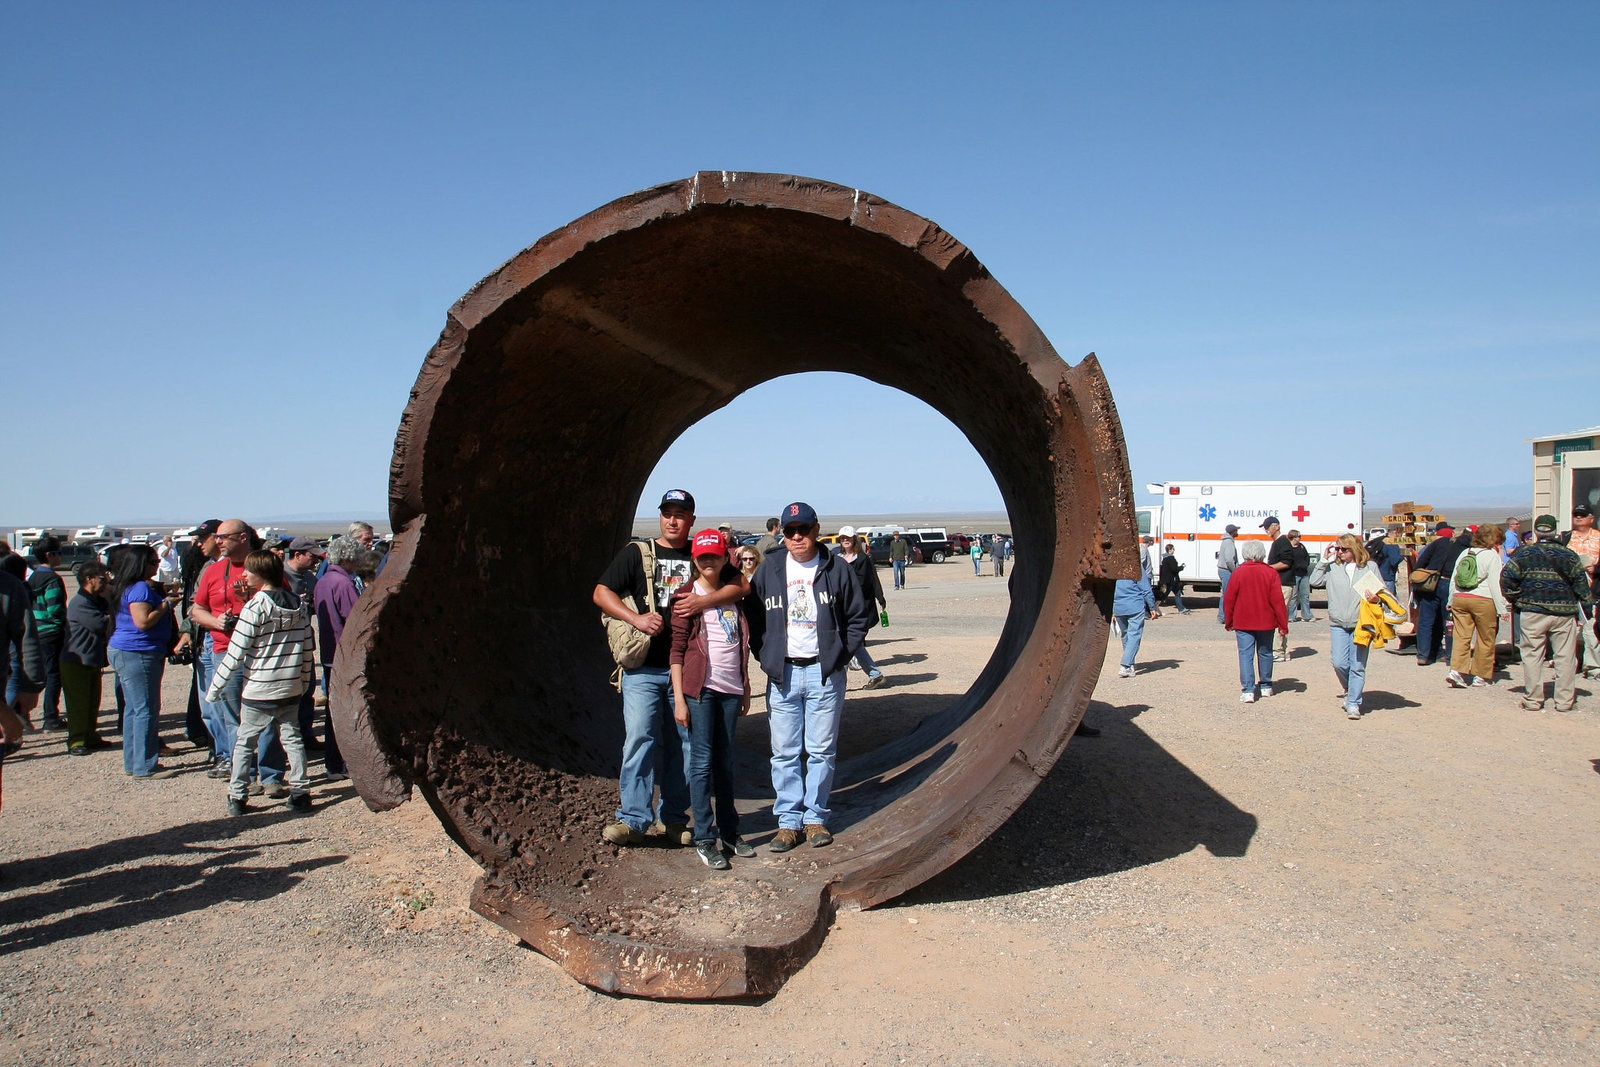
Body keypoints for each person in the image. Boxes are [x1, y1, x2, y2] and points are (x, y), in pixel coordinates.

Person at [593, 490, 749, 847]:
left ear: (692, 519)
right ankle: (633, 818)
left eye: (681, 514)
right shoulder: (638, 553)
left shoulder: (703, 553)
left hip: (691, 673)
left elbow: (741, 585)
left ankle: (675, 819)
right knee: (639, 740)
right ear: (660, 516)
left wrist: (703, 600)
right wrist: (636, 618)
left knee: (684, 745)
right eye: (667, 513)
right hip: (644, 668)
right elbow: (601, 592)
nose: (673, 520)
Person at [746, 501, 873, 852]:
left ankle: (815, 818)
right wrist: (766, 655)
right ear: (783, 534)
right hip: (783, 674)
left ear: (817, 530)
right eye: (790, 531)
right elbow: (753, 617)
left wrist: (838, 656)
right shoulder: (769, 567)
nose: (797, 536)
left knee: (820, 751)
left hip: (823, 674)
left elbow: (858, 616)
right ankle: (788, 823)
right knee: (784, 752)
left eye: (803, 530)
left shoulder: (836, 567)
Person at [668, 530, 754, 870]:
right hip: (700, 690)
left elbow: (739, 642)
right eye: (702, 557)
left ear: (723, 558)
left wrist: (745, 687)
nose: (708, 562)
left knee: (726, 762)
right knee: (701, 763)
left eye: (714, 556)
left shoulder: (732, 592)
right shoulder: (686, 597)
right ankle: (705, 837)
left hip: (730, 689)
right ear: (694, 559)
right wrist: (679, 699)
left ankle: (730, 832)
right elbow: (676, 651)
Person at [208, 549, 315, 816]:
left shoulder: (254, 607)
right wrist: (302, 682)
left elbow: (236, 652)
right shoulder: (299, 606)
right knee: (293, 739)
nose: (243, 574)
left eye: (248, 570)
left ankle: (237, 794)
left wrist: (214, 690)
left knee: (245, 742)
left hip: (259, 687)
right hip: (289, 685)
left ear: (260, 574)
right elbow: (306, 648)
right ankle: (301, 792)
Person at [191, 519, 289, 793]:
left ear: (243, 537)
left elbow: (284, 603)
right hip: (225, 651)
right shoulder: (212, 572)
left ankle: (271, 777)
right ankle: (245, 775)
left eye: (224, 537)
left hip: (262, 654)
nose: (218, 541)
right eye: (217, 537)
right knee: (234, 718)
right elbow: (196, 610)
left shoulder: (265, 566)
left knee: (266, 715)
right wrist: (215, 621)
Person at [1502, 514, 1593, 711]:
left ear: (1535, 531)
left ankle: (1533, 700)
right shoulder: (1569, 556)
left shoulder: (1524, 554)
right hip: (1563, 613)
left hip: (1532, 611)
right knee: (1565, 657)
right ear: (1555, 531)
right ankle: (1564, 701)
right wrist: (1586, 610)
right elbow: (1582, 586)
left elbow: (1507, 578)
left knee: (1532, 655)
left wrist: (1516, 600)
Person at [106, 544, 180, 778]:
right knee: (146, 709)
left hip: (129, 650)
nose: (156, 566)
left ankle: (134, 762)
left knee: (134, 709)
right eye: (152, 562)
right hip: (138, 651)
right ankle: (145, 766)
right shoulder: (139, 588)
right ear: (140, 564)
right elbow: (143, 621)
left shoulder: (128, 586)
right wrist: (166, 605)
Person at [1310, 534, 1385, 720]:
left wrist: (1376, 598)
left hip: (1362, 623)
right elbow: (1314, 581)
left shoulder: (1370, 568)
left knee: (1357, 665)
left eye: (1344, 549)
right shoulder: (1333, 568)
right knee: (1339, 662)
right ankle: (1349, 689)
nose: (1340, 552)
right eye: (1338, 549)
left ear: (1355, 549)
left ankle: (1353, 703)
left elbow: (1381, 593)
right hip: (1338, 623)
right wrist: (1323, 561)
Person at [314, 536, 366, 780]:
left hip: (329, 654)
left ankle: (333, 762)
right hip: (345, 656)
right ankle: (341, 762)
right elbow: (356, 620)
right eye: (356, 558)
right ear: (347, 558)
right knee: (347, 712)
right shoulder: (344, 584)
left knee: (333, 710)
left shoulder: (323, 581)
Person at [1224, 540, 1288, 703]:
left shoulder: (1238, 573)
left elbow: (1229, 598)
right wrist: (1283, 624)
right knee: (1265, 652)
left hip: (1243, 621)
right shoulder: (1270, 573)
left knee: (1245, 655)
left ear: (1245, 554)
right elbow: (1278, 600)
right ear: (1262, 554)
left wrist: (1228, 620)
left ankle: (1248, 690)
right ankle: (1266, 685)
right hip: (1266, 621)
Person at [1445, 524, 1508, 689]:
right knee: (1486, 638)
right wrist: (1502, 609)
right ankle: (1480, 676)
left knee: (1461, 636)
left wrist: (1450, 601)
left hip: (1460, 598)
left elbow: (1454, 578)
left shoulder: (1465, 553)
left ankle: (1456, 671)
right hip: (1483, 599)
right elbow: (1495, 584)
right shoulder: (1491, 555)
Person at [60, 560, 112, 754]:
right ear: (89, 579)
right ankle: (76, 740)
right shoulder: (80, 603)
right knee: (78, 704)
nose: (105, 581)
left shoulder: (95, 600)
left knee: (91, 702)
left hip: (91, 660)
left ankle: (90, 735)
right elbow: (101, 625)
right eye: (101, 578)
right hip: (76, 661)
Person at [283, 537, 326, 750]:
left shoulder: (310, 578)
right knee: (287, 694)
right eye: (312, 556)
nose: (316, 560)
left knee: (307, 690)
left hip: (305, 644)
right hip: (283, 646)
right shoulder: (279, 576)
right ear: (297, 554)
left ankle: (306, 734)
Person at [834, 527, 887, 689]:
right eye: (842, 538)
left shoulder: (862, 559)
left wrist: (880, 598)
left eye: (848, 537)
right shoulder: (837, 557)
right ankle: (875, 675)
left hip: (857, 608)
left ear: (854, 539)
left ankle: (838, 682)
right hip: (840, 608)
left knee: (846, 642)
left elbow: (867, 581)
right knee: (852, 643)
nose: (845, 540)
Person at [24, 535, 68, 730]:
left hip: (36, 630)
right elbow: (55, 609)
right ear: (50, 555)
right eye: (59, 553)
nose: (61, 557)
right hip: (51, 632)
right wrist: (63, 627)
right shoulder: (52, 579)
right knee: (53, 675)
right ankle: (51, 717)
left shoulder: (33, 577)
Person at [1412, 523, 1466, 667]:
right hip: (1450, 584)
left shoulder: (1437, 544)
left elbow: (1421, 562)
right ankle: (1450, 657)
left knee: (1426, 621)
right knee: (1449, 622)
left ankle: (1423, 655)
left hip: (1430, 584)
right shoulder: (1463, 547)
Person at [1563, 503, 1600, 677]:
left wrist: (1596, 570)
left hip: (1591, 589)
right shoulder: (1567, 537)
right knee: (1568, 628)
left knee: (1590, 626)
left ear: (1591, 518)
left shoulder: (1599, 537)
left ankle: (1593, 667)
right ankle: (1567, 665)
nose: (1578, 517)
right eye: (1576, 514)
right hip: (1569, 589)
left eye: (1582, 515)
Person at [1112, 556, 1158, 678]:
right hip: (1135, 606)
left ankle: (1130, 665)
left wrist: (1111, 609)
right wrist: (1152, 607)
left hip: (1118, 606)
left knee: (1125, 635)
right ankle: (1125, 665)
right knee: (1134, 636)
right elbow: (1146, 589)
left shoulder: (1114, 568)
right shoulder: (1136, 567)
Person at [1263, 517, 1295, 660]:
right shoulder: (1278, 542)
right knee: (1280, 615)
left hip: (1284, 584)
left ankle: (1278, 650)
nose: (1267, 530)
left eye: (1268, 527)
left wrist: (1268, 568)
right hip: (1279, 584)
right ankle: (1283, 650)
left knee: (1279, 616)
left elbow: (1286, 562)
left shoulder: (1282, 542)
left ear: (1276, 526)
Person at [1287, 531, 1314, 622]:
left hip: (1304, 574)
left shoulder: (1302, 546)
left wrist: (1305, 564)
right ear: (1293, 538)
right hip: (1294, 575)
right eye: (1299, 536)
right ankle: (1291, 616)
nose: (1300, 538)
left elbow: (1307, 557)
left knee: (1305, 595)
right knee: (1293, 596)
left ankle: (1306, 615)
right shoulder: (1288, 548)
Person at [1215, 524, 1239, 624]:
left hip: (1223, 570)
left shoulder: (1226, 541)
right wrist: (1235, 570)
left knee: (1226, 594)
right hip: (1226, 571)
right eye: (1236, 530)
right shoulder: (1229, 542)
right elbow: (1229, 560)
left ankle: (1223, 616)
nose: (1237, 532)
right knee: (1227, 594)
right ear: (1233, 532)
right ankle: (1222, 617)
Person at [1158, 545, 1189, 613]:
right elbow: (1174, 569)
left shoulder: (1165, 558)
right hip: (1170, 580)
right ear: (1170, 550)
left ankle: (1181, 609)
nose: (1174, 550)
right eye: (1173, 549)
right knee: (1163, 595)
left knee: (1177, 593)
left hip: (1168, 580)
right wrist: (1182, 567)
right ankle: (1151, 608)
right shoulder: (1171, 558)